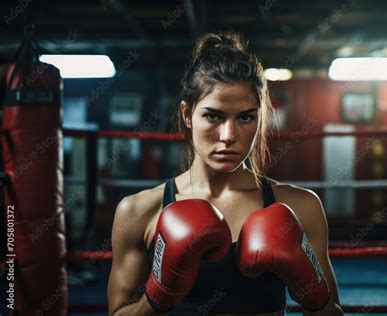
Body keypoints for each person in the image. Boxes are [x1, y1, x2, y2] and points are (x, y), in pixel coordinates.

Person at [108, 32, 343, 316]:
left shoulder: (301, 206)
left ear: (260, 117)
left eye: (245, 117)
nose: (228, 136)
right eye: (213, 116)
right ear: (187, 115)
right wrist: (159, 293)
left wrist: (312, 291)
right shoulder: (139, 210)